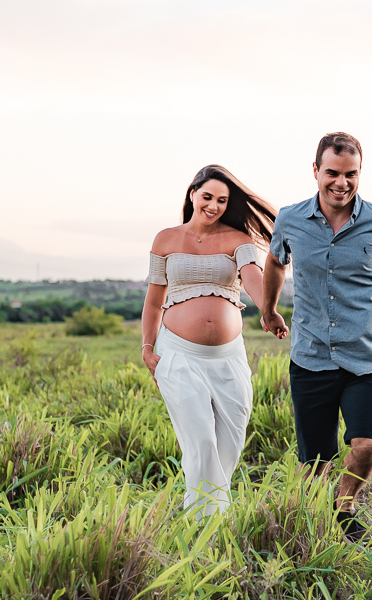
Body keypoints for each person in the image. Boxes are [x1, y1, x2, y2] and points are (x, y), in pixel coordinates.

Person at [260, 132, 372, 541]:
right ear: (316, 171)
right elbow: (276, 262)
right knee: (314, 464)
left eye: (351, 174)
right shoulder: (290, 219)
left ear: (359, 173)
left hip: (363, 357)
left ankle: (344, 507)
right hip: (310, 354)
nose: (341, 183)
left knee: (366, 446)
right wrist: (269, 307)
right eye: (332, 172)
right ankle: (307, 530)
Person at [141, 164, 281, 517]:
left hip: (228, 357)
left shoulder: (238, 239)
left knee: (230, 443)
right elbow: (154, 300)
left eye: (222, 200)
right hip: (178, 354)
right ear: (192, 194)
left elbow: (252, 278)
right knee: (201, 442)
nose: (214, 205)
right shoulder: (166, 239)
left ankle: (208, 516)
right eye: (208, 197)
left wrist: (268, 309)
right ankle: (205, 527)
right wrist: (147, 346)